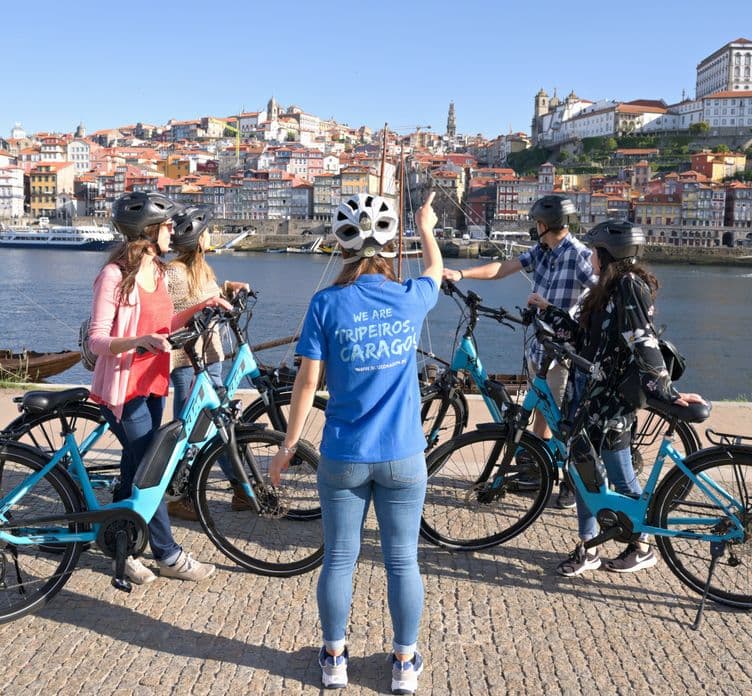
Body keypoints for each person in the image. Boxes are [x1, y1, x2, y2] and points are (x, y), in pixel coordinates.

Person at [269, 192, 443, 694]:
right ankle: (404, 663)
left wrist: (287, 446)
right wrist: (425, 224)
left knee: (340, 558)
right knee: (402, 560)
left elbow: (306, 384)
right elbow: (435, 267)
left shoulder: (325, 304)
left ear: (341, 246)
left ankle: (333, 658)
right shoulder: (410, 296)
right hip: (404, 454)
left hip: (344, 454)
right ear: (390, 248)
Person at [537, 220, 706, 576]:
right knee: (583, 473)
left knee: (618, 474)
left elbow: (642, 341)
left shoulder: (629, 286)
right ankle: (588, 548)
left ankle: (641, 546)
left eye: (594, 250)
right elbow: (588, 340)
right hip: (589, 398)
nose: (590, 257)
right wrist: (548, 312)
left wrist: (665, 391)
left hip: (611, 403)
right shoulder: (608, 287)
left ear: (605, 253)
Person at [87, 191, 229, 585]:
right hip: (124, 388)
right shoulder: (114, 275)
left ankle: (121, 546)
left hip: (154, 385)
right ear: (147, 231)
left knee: (135, 469)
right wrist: (137, 342)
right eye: (167, 226)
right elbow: (97, 341)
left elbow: (167, 325)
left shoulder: (161, 272)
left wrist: (204, 305)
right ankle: (167, 553)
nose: (173, 232)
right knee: (154, 469)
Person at [443, 194, 596, 507]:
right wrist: (461, 274)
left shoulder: (578, 255)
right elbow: (503, 268)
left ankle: (573, 478)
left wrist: (560, 312)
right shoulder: (543, 251)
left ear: (543, 224)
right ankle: (535, 468)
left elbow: (602, 292)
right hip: (539, 344)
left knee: (560, 416)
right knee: (542, 405)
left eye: (535, 223)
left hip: (562, 349)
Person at [165, 205, 251, 521]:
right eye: (208, 232)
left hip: (211, 356)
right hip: (186, 360)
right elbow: (166, 318)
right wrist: (206, 303)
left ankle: (241, 487)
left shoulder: (204, 268)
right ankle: (174, 495)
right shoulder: (172, 272)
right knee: (187, 430)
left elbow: (207, 296)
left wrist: (229, 289)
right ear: (198, 239)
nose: (211, 236)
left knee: (222, 424)